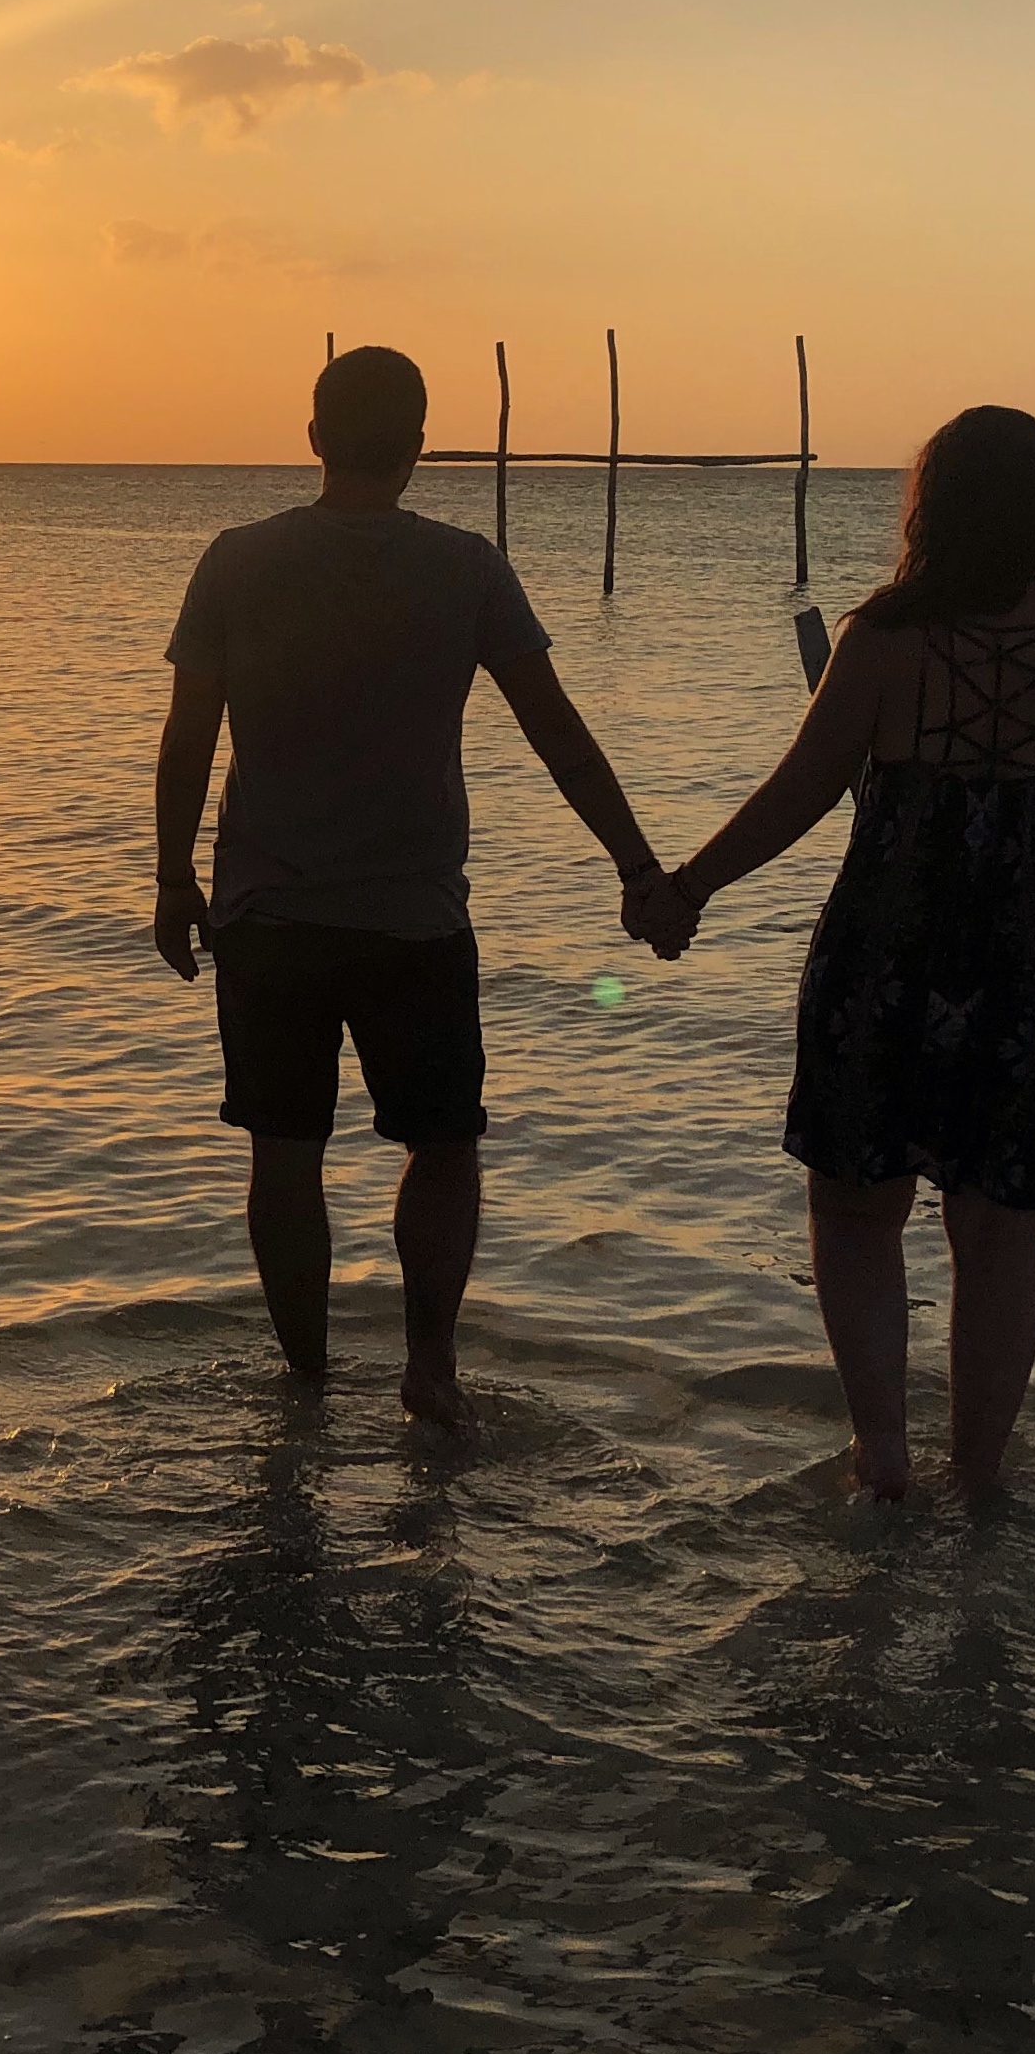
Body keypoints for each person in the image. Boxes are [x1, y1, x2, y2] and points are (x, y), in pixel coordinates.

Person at [151, 346, 691, 1431]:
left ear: (313, 437)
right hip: (416, 923)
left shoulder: (237, 561)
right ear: (421, 446)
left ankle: (305, 1384)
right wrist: (639, 868)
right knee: (442, 1148)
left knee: (286, 1156)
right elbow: (559, 737)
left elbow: (188, 738)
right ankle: (429, 1369)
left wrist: (170, 878)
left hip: (269, 919)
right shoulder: (466, 568)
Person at [666, 406, 1035, 1501]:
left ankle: (883, 1452)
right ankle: (977, 1474)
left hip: (887, 951)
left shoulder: (879, 641)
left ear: (928, 510)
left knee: (855, 1208)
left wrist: (687, 888)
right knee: (1001, 1230)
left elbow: (799, 793)